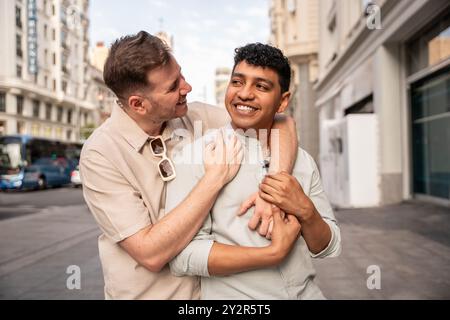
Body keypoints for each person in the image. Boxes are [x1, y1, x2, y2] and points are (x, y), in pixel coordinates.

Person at [79, 31, 299, 299]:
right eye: (173, 87)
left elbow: (279, 122)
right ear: (138, 104)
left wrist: (273, 190)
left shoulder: (196, 116)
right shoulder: (100, 154)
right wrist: (214, 179)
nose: (187, 87)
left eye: (180, 75)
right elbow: (150, 253)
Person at [167, 43, 342, 299]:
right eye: (237, 82)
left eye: (261, 86)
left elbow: (328, 247)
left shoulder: (302, 160)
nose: (245, 94)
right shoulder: (195, 156)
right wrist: (272, 254)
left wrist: (305, 209)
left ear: (283, 101)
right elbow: (182, 257)